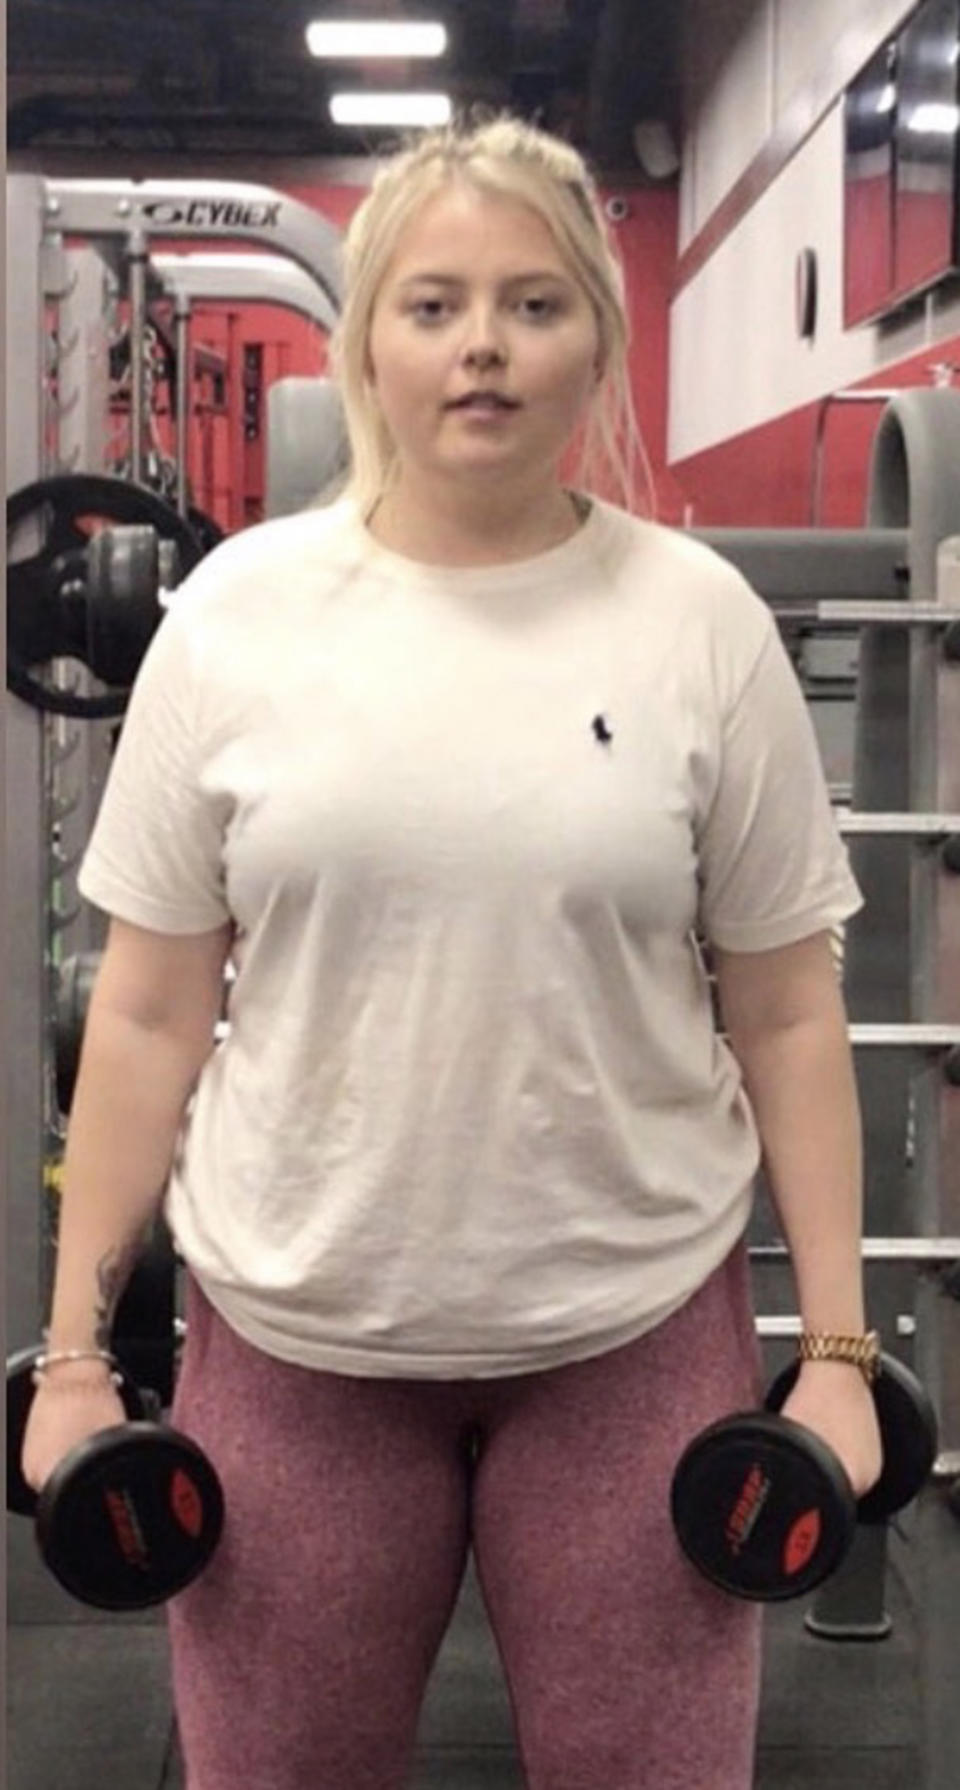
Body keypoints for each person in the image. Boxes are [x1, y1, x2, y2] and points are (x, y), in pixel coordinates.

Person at [23, 115, 883, 1790]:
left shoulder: (698, 620)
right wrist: (71, 1354)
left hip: (630, 1332)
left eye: (531, 302)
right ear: (367, 345)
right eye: (430, 305)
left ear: (597, 341)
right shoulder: (238, 622)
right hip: (297, 1334)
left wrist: (838, 1353)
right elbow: (140, 1012)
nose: (481, 343)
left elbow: (787, 1012)